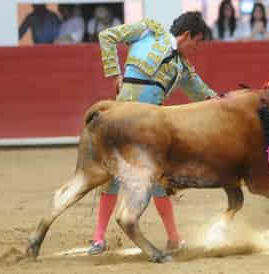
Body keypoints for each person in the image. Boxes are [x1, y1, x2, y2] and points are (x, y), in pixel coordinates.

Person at [89, 11, 217, 255]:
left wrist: (224, 101)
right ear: (188, 35)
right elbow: (107, 36)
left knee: (158, 179)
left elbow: (203, 93)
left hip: (149, 130)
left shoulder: (183, 68)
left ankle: (174, 238)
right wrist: (115, 73)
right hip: (122, 118)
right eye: (198, 43)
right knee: (111, 177)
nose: (197, 49)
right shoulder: (149, 31)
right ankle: (98, 239)